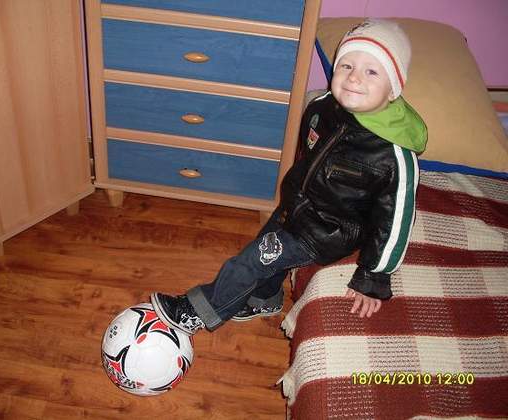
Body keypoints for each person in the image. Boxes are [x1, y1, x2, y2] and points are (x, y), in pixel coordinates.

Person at [151, 19, 428, 335]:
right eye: (347, 65)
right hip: (296, 206)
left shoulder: (395, 155)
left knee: (252, 260)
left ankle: (196, 312)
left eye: (372, 72)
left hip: (326, 230)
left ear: (393, 89)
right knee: (265, 248)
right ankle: (265, 299)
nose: (354, 78)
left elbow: (396, 223)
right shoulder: (322, 107)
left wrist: (373, 278)